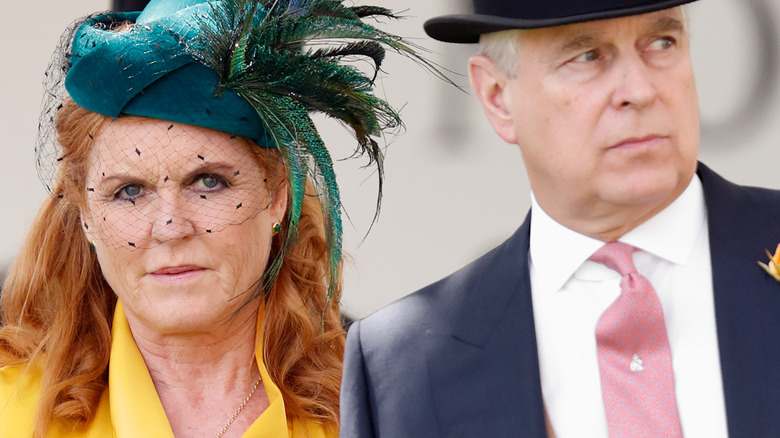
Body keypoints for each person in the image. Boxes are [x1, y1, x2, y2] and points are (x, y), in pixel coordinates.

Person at [340, 0, 780, 437]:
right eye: (587, 56)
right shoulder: (401, 367)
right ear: (497, 97)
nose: (640, 89)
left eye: (662, 42)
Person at [0, 0, 432, 436]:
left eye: (208, 182)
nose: (170, 227)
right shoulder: (12, 411)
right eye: (129, 191)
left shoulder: (375, 411)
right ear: (86, 216)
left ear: (278, 194)